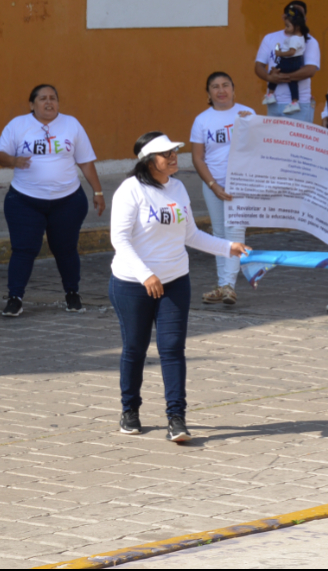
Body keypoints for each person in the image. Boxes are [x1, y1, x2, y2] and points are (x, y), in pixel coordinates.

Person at [109, 133, 250, 443]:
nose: (173, 157)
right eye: (165, 154)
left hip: (174, 282)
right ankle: (129, 410)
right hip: (134, 284)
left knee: (172, 349)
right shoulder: (130, 191)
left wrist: (229, 248)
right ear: (148, 161)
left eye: (174, 151)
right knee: (135, 347)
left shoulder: (178, 187)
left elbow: (192, 235)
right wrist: (146, 275)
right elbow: (119, 240)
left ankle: (177, 417)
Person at [0, 84, 106, 318]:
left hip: (67, 201)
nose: (49, 102)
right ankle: (15, 298)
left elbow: (85, 161)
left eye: (53, 98)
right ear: (32, 104)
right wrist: (14, 160)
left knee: (66, 249)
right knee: (24, 249)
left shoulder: (71, 124)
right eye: (42, 98)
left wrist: (98, 192)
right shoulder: (18, 125)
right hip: (24, 201)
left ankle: (72, 294)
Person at [190, 72, 267, 306]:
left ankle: (229, 286)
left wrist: (250, 126)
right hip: (213, 184)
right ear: (208, 92)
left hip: (240, 184)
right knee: (219, 235)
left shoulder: (247, 114)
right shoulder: (202, 120)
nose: (221, 90)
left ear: (234, 89)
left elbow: (260, 147)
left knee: (235, 233)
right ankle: (223, 284)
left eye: (225, 85)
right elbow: (198, 158)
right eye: (215, 86)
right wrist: (213, 185)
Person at [256, 3, 321, 121]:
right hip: (274, 104)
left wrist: (282, 77)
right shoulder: (269, 38)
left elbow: (310, 70)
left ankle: (292, 100)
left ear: (305, 19)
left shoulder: (310, 41)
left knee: (298, 140)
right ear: (284, 17)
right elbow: (258, 65)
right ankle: (270, 95)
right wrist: (269, 78)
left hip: (301, 105)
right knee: (273, 140)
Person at [261, 9, 309, 115]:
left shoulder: (294, 39)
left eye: (288, 26)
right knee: (293, 83)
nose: (285, 29)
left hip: (288, 61)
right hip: (297, 63)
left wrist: (280, 54)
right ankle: (295, 101)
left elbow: (292, 52)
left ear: (297, 26)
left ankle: (270, 94)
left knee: (274, 73)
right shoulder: (302, 37)